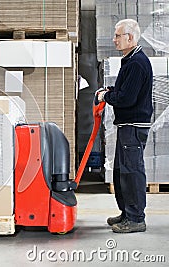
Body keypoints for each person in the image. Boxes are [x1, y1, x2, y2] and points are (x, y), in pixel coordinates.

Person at [96, 19, 153, 233]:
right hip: (127, 125)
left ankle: (137, 218)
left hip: (134, 125)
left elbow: (126, 98)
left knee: (132, 171)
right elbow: (124, 89)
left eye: (118, 35)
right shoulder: (129, 61)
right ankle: (127, 213)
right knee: (121, 171)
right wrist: (109, 91)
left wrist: (106, 96)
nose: (114, 39)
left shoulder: (137, 63)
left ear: (130, 37)